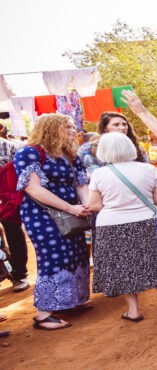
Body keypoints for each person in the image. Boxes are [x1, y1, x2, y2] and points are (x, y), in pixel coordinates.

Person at [87, 132, 157, 321]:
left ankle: (133, 311)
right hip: (146, 221)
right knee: (155, 261)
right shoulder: (147, 169)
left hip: (111, 225)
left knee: (123, 267)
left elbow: (94, 205)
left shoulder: (99, 174)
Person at [14, 114, 92, 330]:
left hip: (73, 212)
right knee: (52, 256)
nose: (72, 129)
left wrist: (86, 206)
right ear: (50, 128)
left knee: (75, 252)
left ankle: (71, 300)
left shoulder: (70, 154)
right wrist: (70, 208)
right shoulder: (29, 152)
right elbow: (33, 188)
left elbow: (81, 184)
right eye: (66, 126)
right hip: (42, 214)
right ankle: (43, 314)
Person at [0, 123, 29, 292]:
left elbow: (17, 173)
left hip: (7, 199)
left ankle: (19, 274)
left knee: (13, 235)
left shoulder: (7, 145)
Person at [77, 111, 148, 177]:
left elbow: (147, 173)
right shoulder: (89, 148)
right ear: (105, 128)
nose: (122, 127)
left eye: (124, 124)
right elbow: (78, 172)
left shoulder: (137, 148)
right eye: (116, 125)